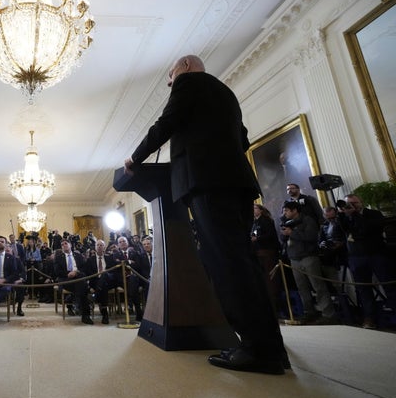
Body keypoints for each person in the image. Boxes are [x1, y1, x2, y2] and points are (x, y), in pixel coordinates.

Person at [125, 54, 288, 375]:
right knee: (245, 263)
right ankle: (271, 347)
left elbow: (165, 124)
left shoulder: (188, 83)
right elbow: (241, 139)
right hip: (236, 183)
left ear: (184, 67)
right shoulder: (226, 93)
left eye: (170, 75)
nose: (170, 82)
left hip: (207, 183)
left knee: (226, 264)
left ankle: (256, 349)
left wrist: (135, 157)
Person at [341, 194, 396, 329]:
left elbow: (367, 229)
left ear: (362, 202)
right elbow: (343, 231)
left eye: (355, 203)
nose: (352, 206)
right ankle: (370, 318)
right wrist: (343, 216)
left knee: (389, 285)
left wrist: (356, 215)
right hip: (356, 258)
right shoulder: (346, 218)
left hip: (376, 255)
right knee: (363, 289)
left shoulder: (374, 214)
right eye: (349, 204)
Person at [281, 201, 338, 324]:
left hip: (308, 256)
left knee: (318, 286)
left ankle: (328, 314)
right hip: (294, 257)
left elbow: (311, 237)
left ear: (294, 210)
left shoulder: (308, 220)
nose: (284, 213)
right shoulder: (287, 222)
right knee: (302, 288)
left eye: (286, 210)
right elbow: (284, 239)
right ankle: (309, 312)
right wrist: (285, 235)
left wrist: (292, 233)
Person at [251, 204, 282, 315]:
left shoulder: (266, 221)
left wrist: (257, 239)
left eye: (254, 208)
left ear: (261, 210)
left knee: (271, 280)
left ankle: (275, 307)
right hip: (258, 253)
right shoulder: (254, 222)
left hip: (267, 252)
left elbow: (270, 235)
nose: (253, 210)